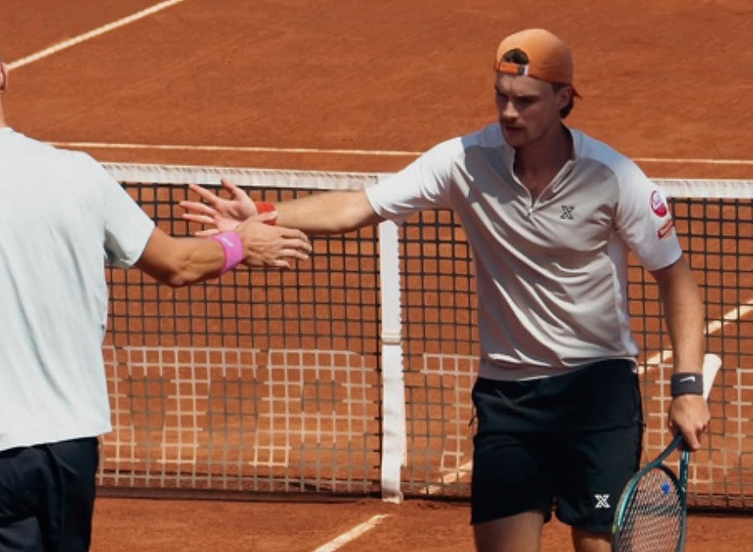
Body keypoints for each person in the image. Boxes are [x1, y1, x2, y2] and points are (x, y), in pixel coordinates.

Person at [181, 28, 711, 552]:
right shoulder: (463, 161)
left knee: (598, 545)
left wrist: (687, 387)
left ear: (563, 99)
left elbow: (675, 280)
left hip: (595, 390)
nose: (509, 113)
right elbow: (361, 205)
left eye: (525, 101)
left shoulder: (615, 176)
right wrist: (266, 214)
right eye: (502, 98)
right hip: (508, 395)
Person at [0, 17, 310, 552]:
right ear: (5, 75)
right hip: (70, 453)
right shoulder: (79, 173)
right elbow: (177, 264)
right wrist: (242, 244)